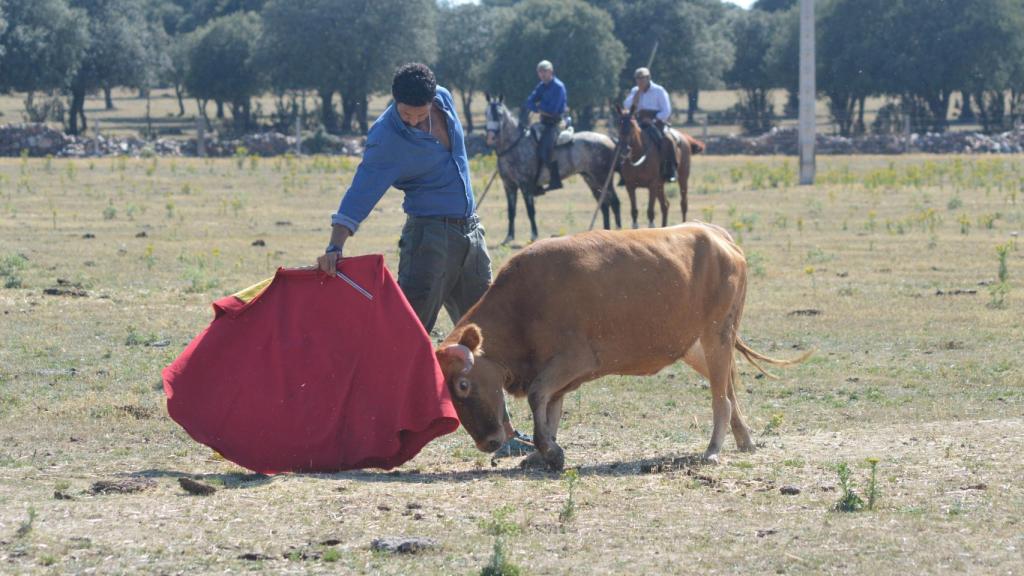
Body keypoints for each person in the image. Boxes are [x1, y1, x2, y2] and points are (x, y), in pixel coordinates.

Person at [316, 63, 533, 457]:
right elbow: (362, 188)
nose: (414, 122)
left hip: (471, 234)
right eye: (406, 114)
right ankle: (370, 434)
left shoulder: (446, 101)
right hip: (428, 243)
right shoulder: (385, 137)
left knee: (487, 338)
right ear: (394, 104)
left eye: (421, 114)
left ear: (434, 99)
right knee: (407, 338)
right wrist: (335, 244)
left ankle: (505, 433)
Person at [623, 67, 677, 182]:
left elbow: (666, 110)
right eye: (637, 79)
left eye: (642, 79)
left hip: (656, 123)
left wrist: (653, 120)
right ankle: (625, 172)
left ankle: (669, 170)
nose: (639, 81)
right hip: (638, 122)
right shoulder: (635, 91)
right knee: (625, 140)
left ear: (648, 78)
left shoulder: (659, 90)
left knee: (667, 140)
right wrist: (635, 98)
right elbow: (626, 106)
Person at [523, 60, 567, 192]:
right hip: (543, 123)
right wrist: (539, 109)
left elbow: (553, 110)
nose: (542, 74)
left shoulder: (559, 87)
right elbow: (529, 101)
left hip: (556, 123)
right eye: (540, 72)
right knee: (528, 143)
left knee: (544, 148)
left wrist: (538, 108)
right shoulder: (541, 86)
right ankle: (536, 179)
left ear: (551, 72)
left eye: (544, 71)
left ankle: (555, 180)